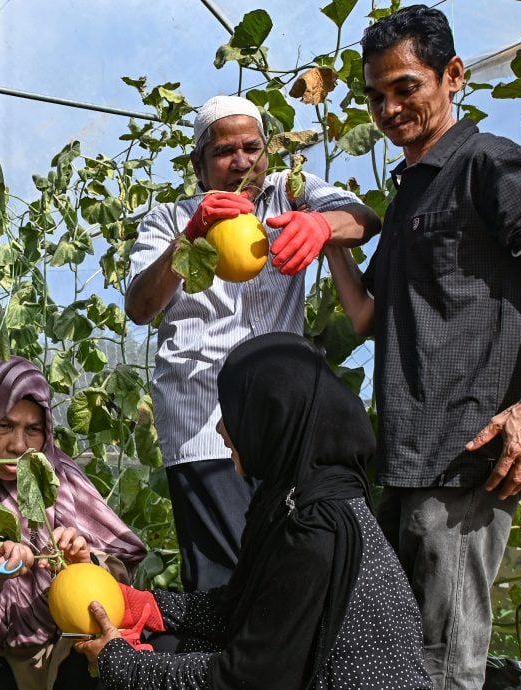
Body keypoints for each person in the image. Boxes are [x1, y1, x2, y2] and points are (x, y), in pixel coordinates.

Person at [323, 6, 521, 689]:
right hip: (409, 450)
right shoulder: (413, 188)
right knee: (388, 646)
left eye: (406, 87)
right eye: (376, 95)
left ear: (452, 77)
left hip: (465, 451)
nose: (389, 107)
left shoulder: (486, 162)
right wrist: (327, 239)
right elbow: (366, 318)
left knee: (443, 664)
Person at [74, 332, 432, 689]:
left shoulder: (318, 529)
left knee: (151, 663)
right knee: (167, 645)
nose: (221, 427)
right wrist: (147, 606)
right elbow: (238, 609)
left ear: (273, 416)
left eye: (234, 409)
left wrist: (122, 665)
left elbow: (249, 679)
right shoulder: (293, 500)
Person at [125, 94, 381, 591]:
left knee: (294, 572)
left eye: (252, 147)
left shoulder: (291, 192)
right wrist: (191, 234)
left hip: (281, 425)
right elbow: (139, 306)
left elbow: (364, 219)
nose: (241, 161)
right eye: (224, 151)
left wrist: (321, 224)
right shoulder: (168, 218)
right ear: (199, 165)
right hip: (201, 422)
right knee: (226, 580)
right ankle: (224, 669)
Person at [0, 357, 147, 690]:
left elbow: (120, 561)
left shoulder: (61, 475)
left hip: (64, 646)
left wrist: (85, 560)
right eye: (4, 425)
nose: (19, 445)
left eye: (32, 429)